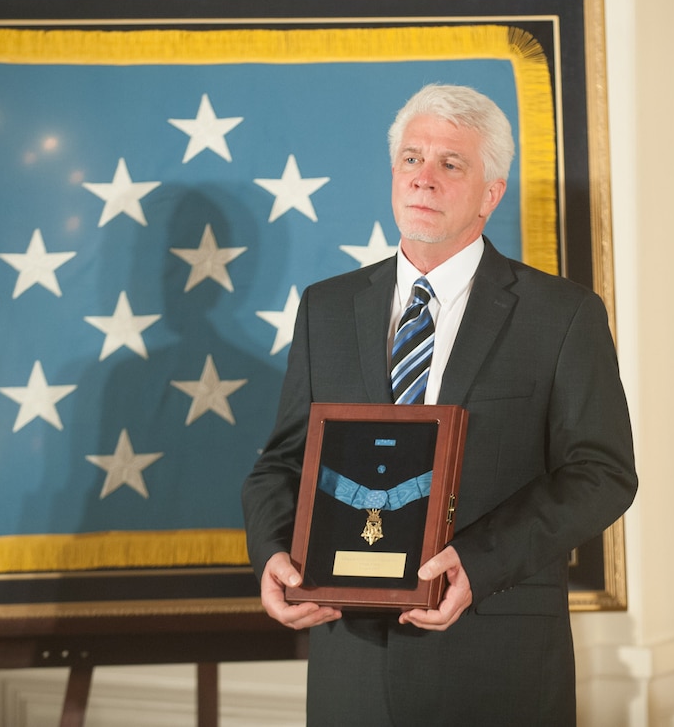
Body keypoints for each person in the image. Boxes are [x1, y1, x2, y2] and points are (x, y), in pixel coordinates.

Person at [243, 83, 638, 726]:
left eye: (450, 164)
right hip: (352, 667)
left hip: (494, 662)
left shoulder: (562, 316)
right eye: (411, 159)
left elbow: (603, 475)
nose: (423, 178)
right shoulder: (327, 307)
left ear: (492, 192)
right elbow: (280, 464)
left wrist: (478, 564)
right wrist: (272, 556)